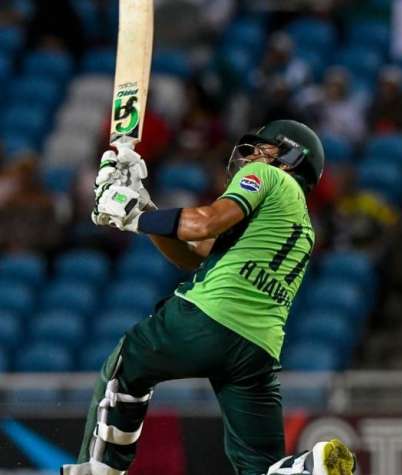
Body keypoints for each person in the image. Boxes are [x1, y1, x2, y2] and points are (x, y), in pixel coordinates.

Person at [61, 120, 357, 475]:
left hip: (208, 317)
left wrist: (127, 209)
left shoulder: (268, 177)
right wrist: (143, 209)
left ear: (290, 158)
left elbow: (203, 224)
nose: (251, 156)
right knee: (260, 467)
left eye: (263, 148)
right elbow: (194, 253)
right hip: (258, 350)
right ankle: (306, 469)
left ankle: (99, 469)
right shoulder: (301, 225)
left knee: (127, 363)